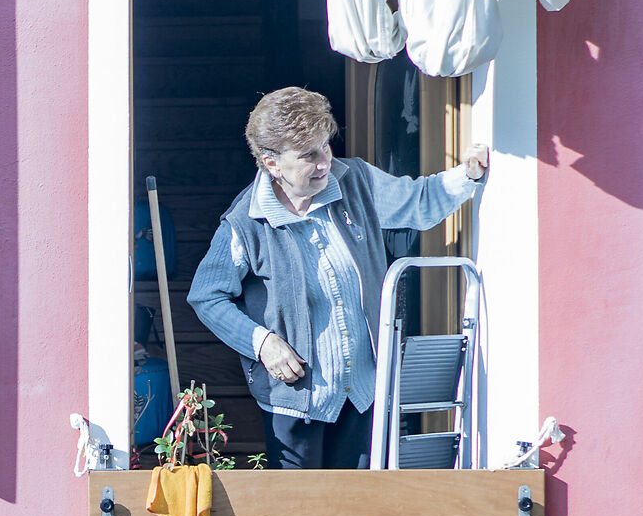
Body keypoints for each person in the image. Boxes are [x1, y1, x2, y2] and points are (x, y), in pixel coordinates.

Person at [187, 86, 488, 470]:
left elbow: (419, 202)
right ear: (272, 163)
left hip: (364, 390)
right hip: (296, 400)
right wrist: (262, 344)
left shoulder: (355, 181)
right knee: (302, 515)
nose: (324, 162)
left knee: (359, 511)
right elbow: (207, 296)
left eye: (325, 147)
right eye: (308, 155)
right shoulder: (246, 222)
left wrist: (468, 175)